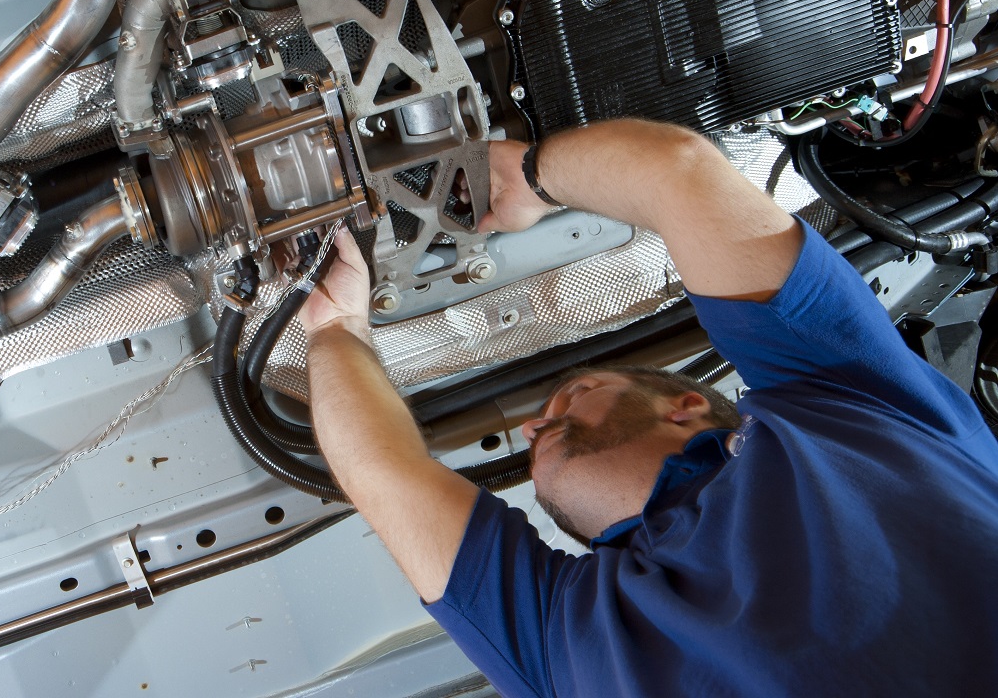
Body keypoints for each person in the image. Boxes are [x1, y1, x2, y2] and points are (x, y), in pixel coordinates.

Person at [298, 117, 998, 697]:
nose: (534, 424)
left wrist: (333, 328)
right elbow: (681, 172)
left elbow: (381, 472)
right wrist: (531, 179)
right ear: (685, 405)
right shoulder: (848, 404)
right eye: (577, 397)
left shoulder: (558, 644)